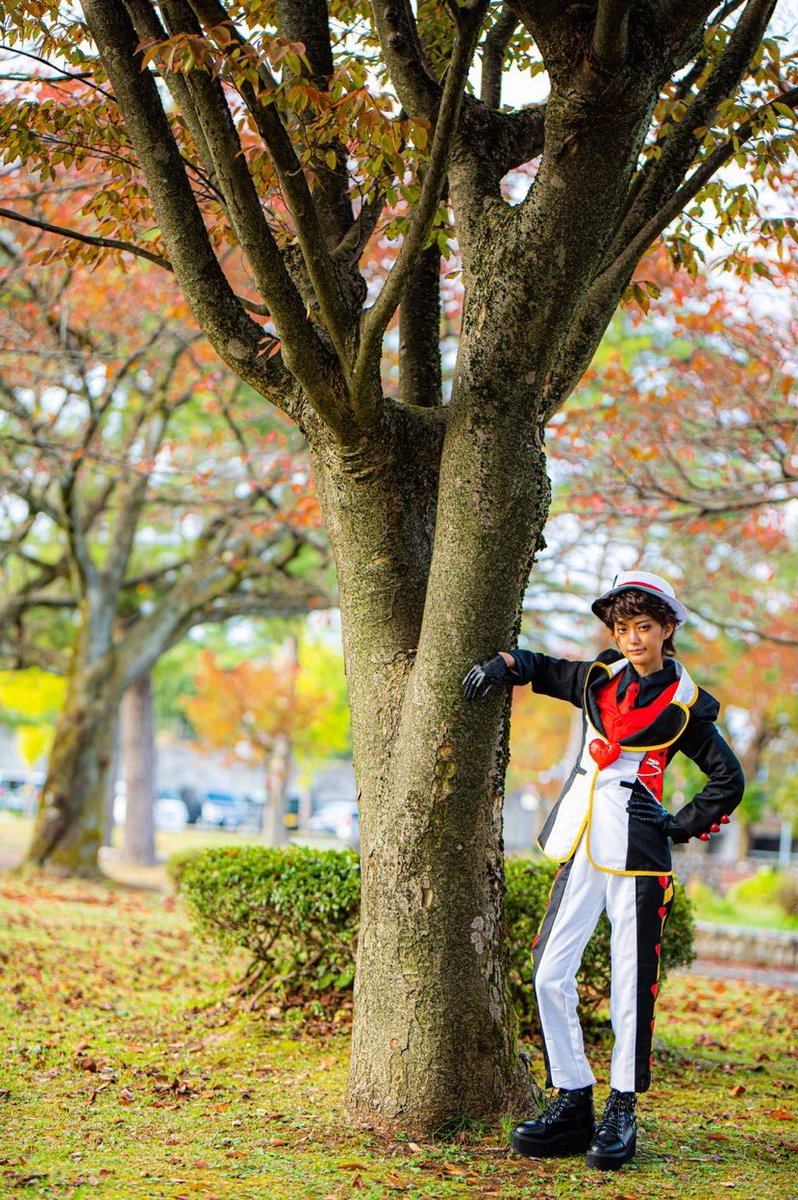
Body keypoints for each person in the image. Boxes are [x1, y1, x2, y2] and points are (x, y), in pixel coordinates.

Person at [462, 571, 744, 1171]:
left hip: (640, 858)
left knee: (629, 984)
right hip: (583, 842)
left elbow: (729, 780)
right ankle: (572, 1099)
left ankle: (622, 1109)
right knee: (548, 971)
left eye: (645, 627)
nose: (633, 638)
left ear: (668, 630)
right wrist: (502, 663)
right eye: (623, 627)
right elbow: (542, 666)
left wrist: (675, 823)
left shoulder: (684, 705)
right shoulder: (600, 678)